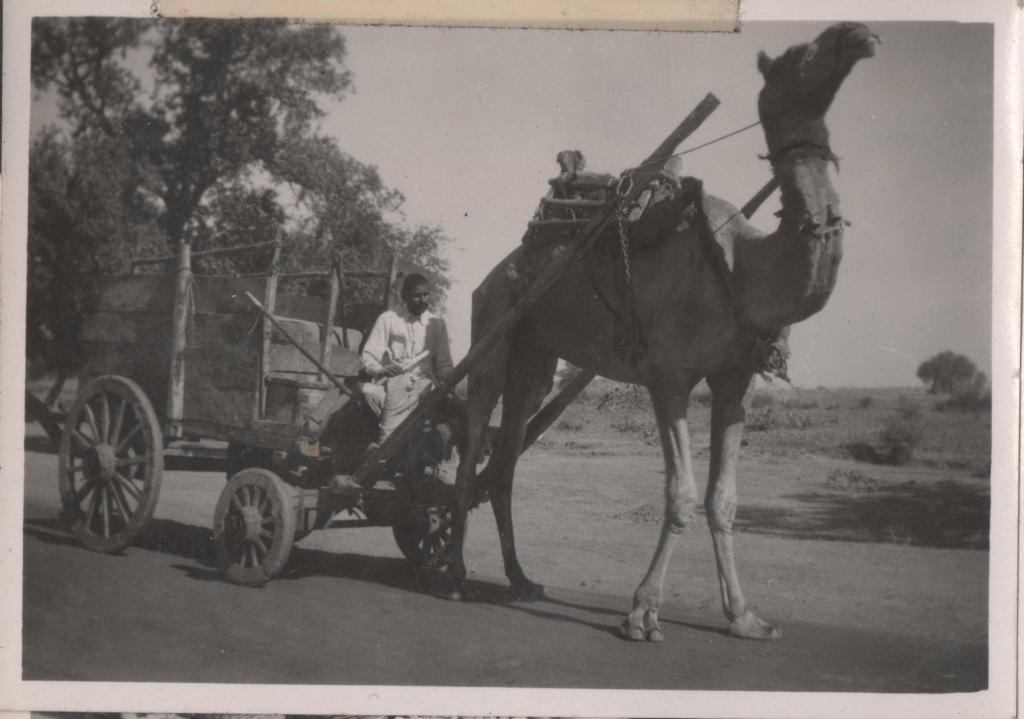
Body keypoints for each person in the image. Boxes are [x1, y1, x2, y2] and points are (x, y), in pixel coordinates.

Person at [360, 273, 454, 447]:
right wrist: (381, 370)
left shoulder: (437, 324)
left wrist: (451, 383)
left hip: (422, 385)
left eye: (426, 294)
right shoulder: (388, 319)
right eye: (416, 296)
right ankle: (390, 446)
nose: (422, 300)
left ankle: (384, 446)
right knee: (369, 391)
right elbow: (368, 356)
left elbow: (443, 365)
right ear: (404, 297)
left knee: (404, 384)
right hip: (390, 384)